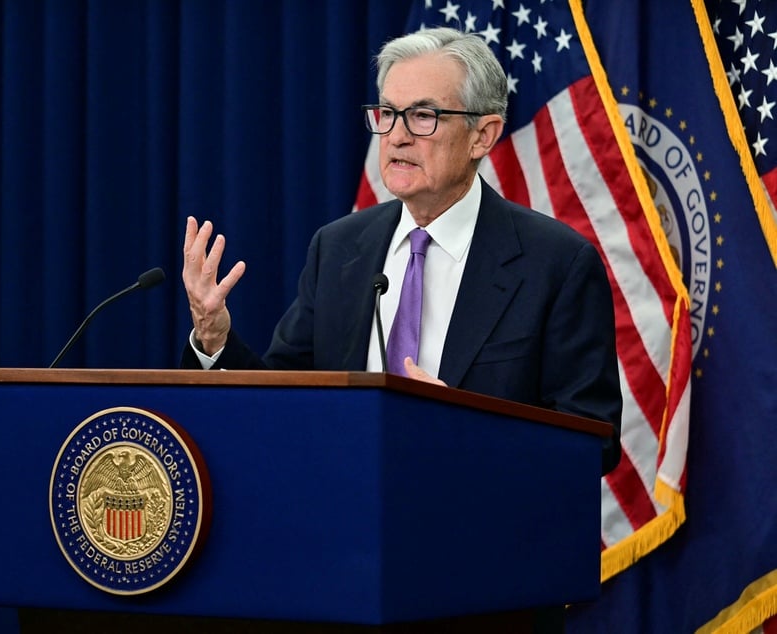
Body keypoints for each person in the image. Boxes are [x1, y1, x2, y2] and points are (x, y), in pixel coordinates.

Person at [180, 27, 622, 476]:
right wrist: (215, 337)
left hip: (480, 530)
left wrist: (462, 427)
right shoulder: (338, 249)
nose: (396, 136)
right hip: (346, 525)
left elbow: (592, 439)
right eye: (387, 113)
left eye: (423, 116)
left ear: (482, 136)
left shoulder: (557, 264)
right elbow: (282, 400)